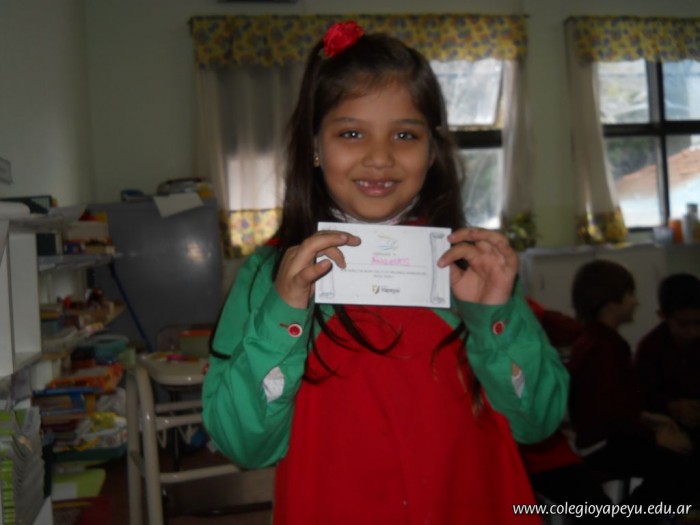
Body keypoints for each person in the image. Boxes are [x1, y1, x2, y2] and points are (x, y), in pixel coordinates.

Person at [202, 20, 569, 525]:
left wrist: (492, 317)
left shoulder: (472, 268)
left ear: (432, 150)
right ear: (314, 146)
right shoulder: (269, 276)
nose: (380, 157)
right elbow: (244, 445)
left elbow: (538, 422)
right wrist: (282, 314)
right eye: (351, 133)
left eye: (405, 134)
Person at [567, 259, 698, 515]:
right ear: (611, 302)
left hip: (605, 436)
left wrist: (651, 419)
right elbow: (611, 413)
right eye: (630, 294)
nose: (636, 302)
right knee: (678, 464)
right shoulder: (605, 347)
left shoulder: (595, 339)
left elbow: (619, 403)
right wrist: (654, 436)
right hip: (604, 444)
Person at [635, 273, 700, 456]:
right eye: (683, 325)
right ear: (662, 316)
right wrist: (670, 406)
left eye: (698, 323)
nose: (693, 332)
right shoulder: (650, 347)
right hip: (669, 426)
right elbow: (641, 394)